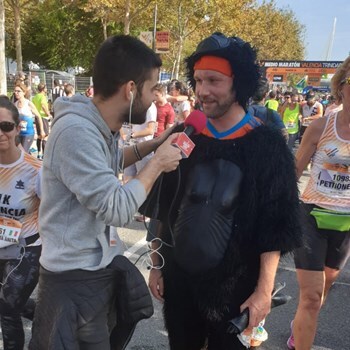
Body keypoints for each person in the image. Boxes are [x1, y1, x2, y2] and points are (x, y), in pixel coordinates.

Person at [142, 32, 301, 350]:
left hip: (235, 291)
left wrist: (263, 291)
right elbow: (164, 207)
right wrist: (157, 265)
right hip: (180, 283)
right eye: (198, 81)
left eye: (213, 81)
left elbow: (276, 228)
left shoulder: (267, 146)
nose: (202, 91)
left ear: (238, 83)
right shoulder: (186, 136)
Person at [29, 35, 182, 350]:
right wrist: (158, 165)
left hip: (92, 271)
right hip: (72, 280)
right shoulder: (76, 132)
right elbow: (117, 209)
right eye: (152, 88)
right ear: (129, 89)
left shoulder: (97, 126)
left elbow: (107, 163)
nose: (156, 98)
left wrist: (153, 145)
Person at [287, 57, 350, 350]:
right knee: (311, 297)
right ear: (341, 86)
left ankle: (297, 327)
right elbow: (296, 171)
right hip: (311, 215)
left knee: (322, 292)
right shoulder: (321, 127)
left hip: (346, 222)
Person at [0, 97, 42, 350]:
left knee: (7, 310)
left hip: (26, 248)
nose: (0, 133)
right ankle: (46, 316)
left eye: (6, 126)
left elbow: (53, 215)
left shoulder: (35, 170)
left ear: (18, 128)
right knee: (6, 303)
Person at [13, 83, 45, 153]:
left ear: (24, 92)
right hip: (19, 133)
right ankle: (31, 162)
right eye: (15, 91)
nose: (16, 93)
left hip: (28, 134)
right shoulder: (15, 105)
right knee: (21, 153)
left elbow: (38, 116)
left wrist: (42, 130)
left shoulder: (28, 103)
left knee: (23, 153)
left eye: (18, 91)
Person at [32, 83, 52, 159]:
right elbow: (43, 106)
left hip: (37, 118)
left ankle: (39, 153)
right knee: (45, 136)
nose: (46, 89)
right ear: (44, 89)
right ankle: (44, 155)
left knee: (39, 136)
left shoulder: (35, 97)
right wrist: (48, 114)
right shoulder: (43, 97)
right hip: (43, 117)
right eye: (46, 88)